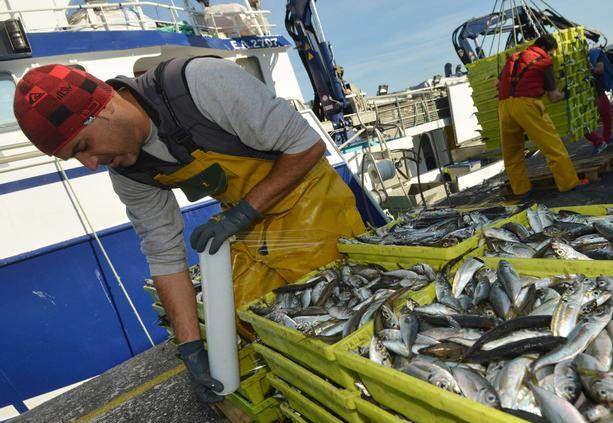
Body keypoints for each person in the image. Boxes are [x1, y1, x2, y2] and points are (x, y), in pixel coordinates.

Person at [12, 58, 365, 403]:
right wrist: (191, 347)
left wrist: (242, 214)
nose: (89, 165)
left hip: (311, 203)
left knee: (336, 308)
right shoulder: (129, 173)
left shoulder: (201, 84)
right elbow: (164, 254)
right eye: (74, 158)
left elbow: (306, 144)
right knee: (243, 317)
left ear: (103, 107)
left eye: (83, 146)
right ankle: (314, 399)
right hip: (247, 225)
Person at [497, 34, 583, 196]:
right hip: (527, 105)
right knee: (552, 147)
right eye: (551, 53)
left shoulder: (513, 58)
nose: (551, 56)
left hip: (504, 107)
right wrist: (569, 92)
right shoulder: (544, 62)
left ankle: (521, 191)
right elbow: (554, 96)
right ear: (546, 49)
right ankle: (569, 184)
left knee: (512, 153)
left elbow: (497, 83)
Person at [585, 46, 613, 154]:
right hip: (582, 94)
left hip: (598, 90)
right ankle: (598, 141)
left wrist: (588, 70)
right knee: (583, 122)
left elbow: (600, 70)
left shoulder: (596, 53)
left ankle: (605, 139)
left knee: (607, 115)